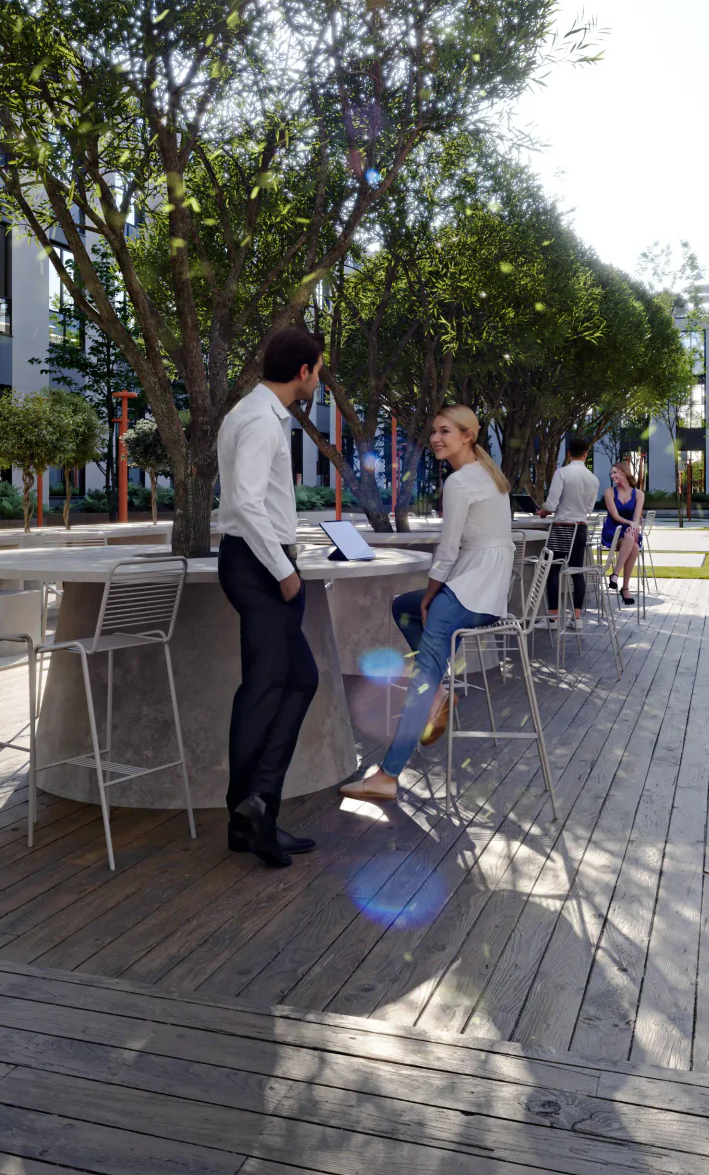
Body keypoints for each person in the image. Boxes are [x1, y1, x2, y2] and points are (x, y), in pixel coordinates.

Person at [341, 405, 513, 804]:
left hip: (469, 592)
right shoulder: (487, 475)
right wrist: (430, 597)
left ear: (467, 436)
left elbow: (448, 550)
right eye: (434, 431)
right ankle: (439, 690)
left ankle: (387, 774)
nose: (436, 438)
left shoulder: (461, 482)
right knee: (404, 604)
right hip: (487, 592)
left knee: (421, 675)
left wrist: (434, 593)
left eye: (445, 431)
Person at [216, 326, 325, 868]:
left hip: (254, 561)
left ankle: (252, 811)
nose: (319, 377)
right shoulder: (261, 420)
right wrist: (283, 570)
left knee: (291, 680)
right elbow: (246, 503)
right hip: (260, 565)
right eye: (318, 368)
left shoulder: (253, 413)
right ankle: (256, 808)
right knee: (265, 689)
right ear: (303, 371)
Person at [538, 435, 599, 620]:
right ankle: (577, 617)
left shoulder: (562, 473)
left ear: (569, 454)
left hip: (562, 528)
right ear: (586, 455)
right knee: (577, 571)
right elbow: (589, 508)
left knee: (553, 570)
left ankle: (554, 616)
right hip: (580, 527)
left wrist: (543, 511)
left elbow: (551, 505)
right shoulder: (593, 479)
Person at [601, 456, 645, 606]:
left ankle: (615, 574)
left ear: (624, 473)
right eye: (612, 473)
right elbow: (615, 516)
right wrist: (631, 524)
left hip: (630, 532)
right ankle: (625, 588)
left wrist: (633, 525)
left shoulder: (639, 494)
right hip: (614, 530)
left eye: (615, 473)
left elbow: (636, 517)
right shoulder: (609, 492)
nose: (612, 476)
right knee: (633, 543)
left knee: (633, 542)